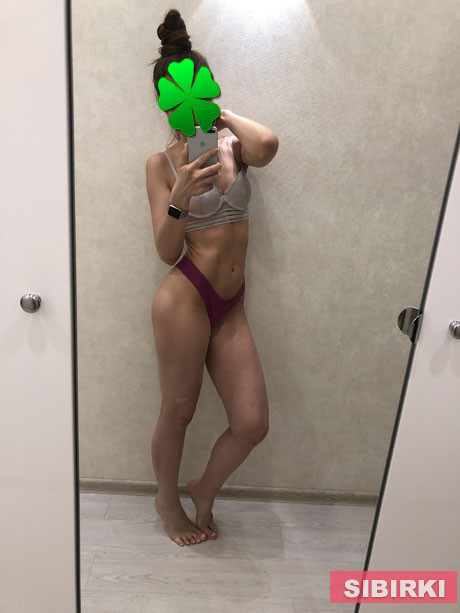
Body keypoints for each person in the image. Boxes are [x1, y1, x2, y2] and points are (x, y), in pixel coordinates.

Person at [146, 8, 278, 547]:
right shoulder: (161, 164)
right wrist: (179, 196)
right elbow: (165, 251)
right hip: (185, 298)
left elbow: (268, 145)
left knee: (251, 422)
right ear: (164, 103)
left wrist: (219, 114)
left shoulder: (233, 147)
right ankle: (166, 500)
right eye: (177, 96)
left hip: (231, 303)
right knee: (179, 409)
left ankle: (204, 486)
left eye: (196, 87)